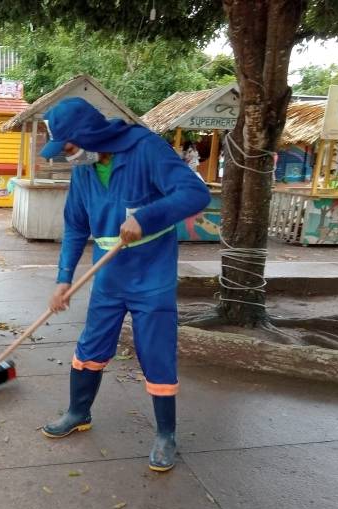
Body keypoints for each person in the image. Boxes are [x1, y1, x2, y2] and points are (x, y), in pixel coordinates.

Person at [39, 97, 211, 472]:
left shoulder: (144, 148)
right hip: (110, 278)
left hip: (152, 276)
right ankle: (78, 412)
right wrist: (63, 280)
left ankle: (166, 434)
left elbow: (196, 193)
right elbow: (75, 227)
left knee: (156, 351)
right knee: (90, 346)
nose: (67, 156)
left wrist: (147, 217)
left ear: (87, 134)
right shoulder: (84, 171)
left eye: (68, 146)